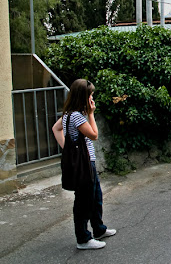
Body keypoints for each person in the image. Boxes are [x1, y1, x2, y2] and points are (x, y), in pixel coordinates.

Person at [52, 79, 116, 250]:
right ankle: (83, 239)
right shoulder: (77, 116)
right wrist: (91, 113)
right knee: (84, 201)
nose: (92, 98)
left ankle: (99, 229)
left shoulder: (68, 114)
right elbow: (94, 135)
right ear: (84, 96)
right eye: (90, 95)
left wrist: (68, 148)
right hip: (84, 164)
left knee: (95, 197)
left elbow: (55, 129)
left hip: (86, 162)